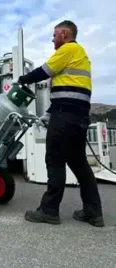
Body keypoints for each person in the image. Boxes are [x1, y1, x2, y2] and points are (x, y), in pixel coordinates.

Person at [16, 20, 104, 227]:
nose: (52, 39)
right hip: (78, 117)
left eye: (54, 34)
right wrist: (50, 112)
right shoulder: (81, 55)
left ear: (65, 34)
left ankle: (49, 210)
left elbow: (44, 71)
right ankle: (94, 212)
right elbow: (69, 91)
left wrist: (21, 79)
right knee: (80, 164)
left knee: (54, 161)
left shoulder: (68, 49)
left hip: (65, 118)